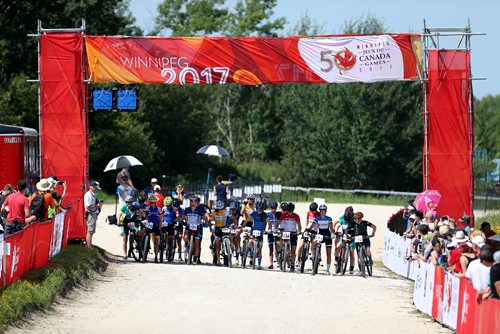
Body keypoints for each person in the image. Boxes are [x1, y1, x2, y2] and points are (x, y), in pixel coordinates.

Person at [183, 196, 209, 264]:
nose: (191, 202)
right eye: (190, 201)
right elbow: (183, 216)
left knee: (197, 243)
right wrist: (184, 218)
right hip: (189, 226)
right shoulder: (187, 209)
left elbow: (204, 216)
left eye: (193, 201)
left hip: (197, 227)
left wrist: (204, 220)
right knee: (185, 237)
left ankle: (195, 257)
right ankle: (186, 246)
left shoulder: (199, 210)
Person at [310, 204, 334, 274]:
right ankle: (312, 254)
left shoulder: (329, 218)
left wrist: (333, 233)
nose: (322, 212)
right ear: (319, 211)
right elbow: (312, 226)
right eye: (321, 211)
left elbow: (331, 228)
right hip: (320, 235)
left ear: (326, 211)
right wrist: (307, 230)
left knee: (328, 253)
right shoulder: (317, 218)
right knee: (314, 241)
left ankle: (328, 269)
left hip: (327, 236)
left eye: (324, 211)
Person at [246, 201, 270, 269]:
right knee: (250, 241)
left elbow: (269, 222)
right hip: (253, 231)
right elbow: (247, 220)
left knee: (260, 249)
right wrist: (243, 226)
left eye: (260, 210)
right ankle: (249, 252)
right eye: (258, 209)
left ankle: (259, 264)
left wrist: (269, 228)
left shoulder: (265, 215)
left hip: (261, 233)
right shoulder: (253, 213)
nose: (259, 211)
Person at [278, 202, 301, 272]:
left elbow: (299, 225)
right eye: (289, 211)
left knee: (293, 251)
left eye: (291, 211)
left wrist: (299, 231)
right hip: (285, 232)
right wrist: (276, 229)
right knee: (280, 242)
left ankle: (293, 264)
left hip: (293, 233)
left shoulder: (296, 216)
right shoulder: (284, 215)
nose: (290, 213)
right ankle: (280, 252)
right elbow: (278, 222)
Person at [334, 206, 356, 274]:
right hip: (344, 236)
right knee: (337, 247)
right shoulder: (342, 217)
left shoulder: (354, 219)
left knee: (352, 252)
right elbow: (337, 224)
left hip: (352, 237)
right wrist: (336, 231)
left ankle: (351, 268)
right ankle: (336, 259)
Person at [84, 181, 103, 248]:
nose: (96, 189)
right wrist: (96, 206)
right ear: (90, 186)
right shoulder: (88, 195)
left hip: (93, 213)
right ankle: (89, 247)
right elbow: (87, 207)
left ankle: (90, 245)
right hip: (90, 214)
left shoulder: (93, 194)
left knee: (92, 231)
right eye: (95, 187)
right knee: (90, 231)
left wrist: (98, 205)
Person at [210, 200, 228, 266]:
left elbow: (233, 218)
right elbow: (210, 220)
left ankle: (228, 249)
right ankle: (218, 260)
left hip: (224, 228)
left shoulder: (226, 212)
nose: (220, 209)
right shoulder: (214, 213)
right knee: (217, 246)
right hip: (217, 228)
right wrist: (210, 228)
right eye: (218, 208)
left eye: (221, 208)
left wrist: (235, 224)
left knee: (228, 238)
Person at [145, 195, 162, 263]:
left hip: (156, 226)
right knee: (145, 235)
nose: (152, 204)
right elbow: (144, 214)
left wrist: (160, 224)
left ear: (155, 202)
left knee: (156, 242)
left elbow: (160, 217)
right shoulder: (147, 208)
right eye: (151, 203)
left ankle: (156, 257)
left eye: (153, 202)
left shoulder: (158, 209)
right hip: (149, 225)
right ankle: (145, 251)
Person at [161, 196, 178, 262]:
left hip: (171, 225)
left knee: (170, 240)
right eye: (167, 206)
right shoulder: (164, 208)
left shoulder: (174, 209)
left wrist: (176, 220)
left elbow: (177, 216)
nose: (168, 207)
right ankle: (162, 243)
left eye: (169, 205)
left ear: (171, 204)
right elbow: (161, 215)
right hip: (165, 224)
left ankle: (170, 254)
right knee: (161, 234)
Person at [266, 201, 281, 269]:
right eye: (272, 208)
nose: (273, 209)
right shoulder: (268, 214)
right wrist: (264, 230)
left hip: (277, 232)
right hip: (270, 232)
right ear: (270, 208)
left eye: (275, 208)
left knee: (278, 246)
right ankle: (271, 264)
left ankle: (279, 259)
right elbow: (265, 223)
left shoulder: (279, 214)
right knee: (271, 249)